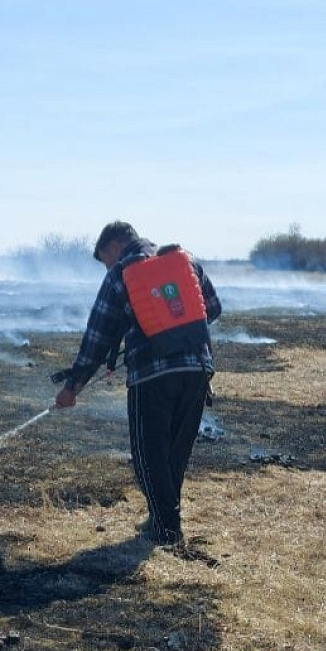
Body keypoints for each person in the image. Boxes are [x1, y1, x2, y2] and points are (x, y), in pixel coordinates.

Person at [56, 221, 221, 547]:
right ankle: (163, 521)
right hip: (198, 371)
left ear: (114, 246)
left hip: (152, 376)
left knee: (149, 454)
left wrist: (72, 385)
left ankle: (167, 532)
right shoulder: (184, 261)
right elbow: (212, 308)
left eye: (105, 259)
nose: (108, 266)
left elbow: (99, 335)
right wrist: (168, 325)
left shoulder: (122, 272)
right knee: (174, 453)